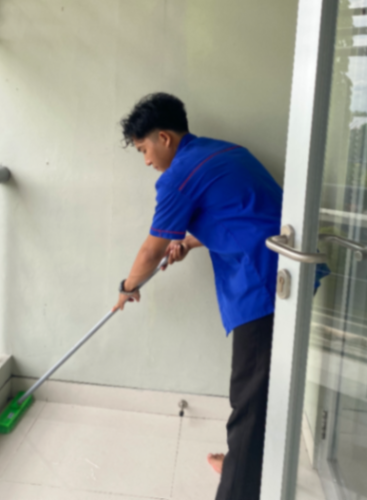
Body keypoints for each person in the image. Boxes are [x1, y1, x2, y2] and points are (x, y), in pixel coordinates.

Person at [114, 93, 282, 500]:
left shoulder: (178, 176)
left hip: (264, 281)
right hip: (278, 266)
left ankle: (237, 487)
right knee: (259, 386)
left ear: (164, 138)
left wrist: (127, 287)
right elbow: (241, 214)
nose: (146, 161)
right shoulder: (223, 151)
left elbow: (151, 251)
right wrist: (190, 240)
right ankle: (242, 463)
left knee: (249, 393)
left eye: (144, 149)